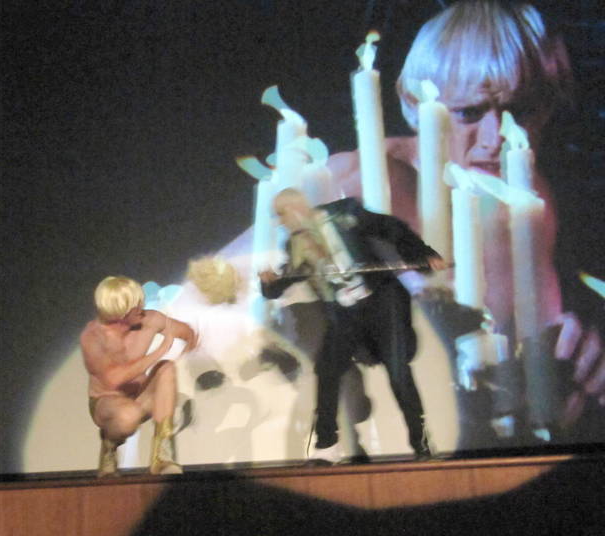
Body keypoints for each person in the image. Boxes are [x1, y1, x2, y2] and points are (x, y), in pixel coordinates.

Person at [327, 0, 605, 438]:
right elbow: (219, 293)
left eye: (522, 110)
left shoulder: (527, 195)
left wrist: (576, 363)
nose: (496, 140)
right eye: (469, 113)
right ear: (416, 103)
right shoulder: (355, 181)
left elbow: (526, 367)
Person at [259, 188, 447, 463]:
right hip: (345, 313)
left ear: (296, 208)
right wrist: (268, 284)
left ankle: (421, 444)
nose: (281, 222)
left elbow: (391, 228)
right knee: (327, 369)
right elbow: (286, 279)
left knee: (397, 372)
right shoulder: (295, 244)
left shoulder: (344, 213)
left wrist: (422, 254)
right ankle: (326, 445)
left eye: (281, 214)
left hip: (382, 303)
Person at [81, 276, 197, 477]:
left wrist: (189, 342)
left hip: (142, 397)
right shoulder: (93, 337)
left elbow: (185, 332)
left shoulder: (149, 320)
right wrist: (159, 351)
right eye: (136, 307)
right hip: (107, 404)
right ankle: (109, 445)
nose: (142, 309)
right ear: (121, 314)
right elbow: (114, 379)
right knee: (129, 415)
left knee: (166, 369)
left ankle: (162, 456)